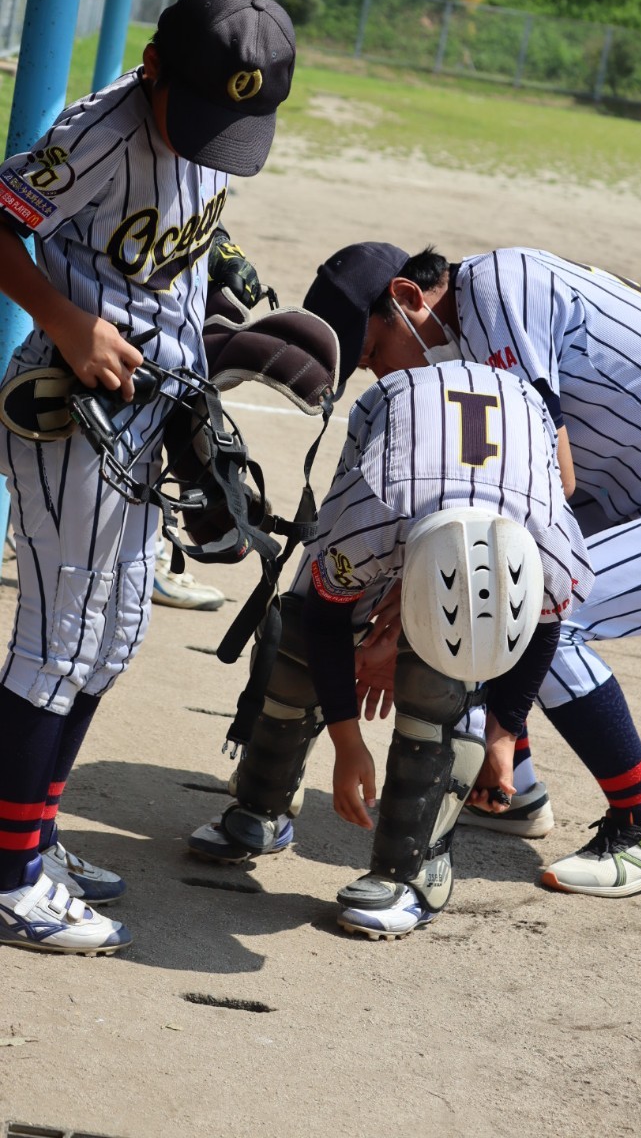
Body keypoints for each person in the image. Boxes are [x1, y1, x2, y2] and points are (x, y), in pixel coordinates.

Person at [300, 240, 641, 898]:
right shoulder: (477, 323)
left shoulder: (493, 289)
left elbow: (555, 480)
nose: (381, 378)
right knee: (488, 581)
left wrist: (409, 607)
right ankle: (513, 790)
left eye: (372, 355)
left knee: (537, 604)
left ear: (406, 299)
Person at [0, 0, 297, 954]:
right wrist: (66, 318)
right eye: (202, 115)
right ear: (155, 68)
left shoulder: (212, 133)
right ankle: (7, 876)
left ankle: (31, 837)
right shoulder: (96, 133)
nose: (213, 142)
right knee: (62, 636)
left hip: (150, 406)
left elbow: (183, 233)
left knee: (116, 628)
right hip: (71, 400)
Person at [189, 359, 593, 937]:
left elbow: (543, 630)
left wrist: (504, 736)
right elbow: (327, 618)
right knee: (297, 642)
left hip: (484, 472)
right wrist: (348, 744)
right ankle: (263, 801)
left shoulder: (552, 548)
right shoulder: (374, 508)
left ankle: (415, 870)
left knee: (440, 687)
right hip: (400, 428)